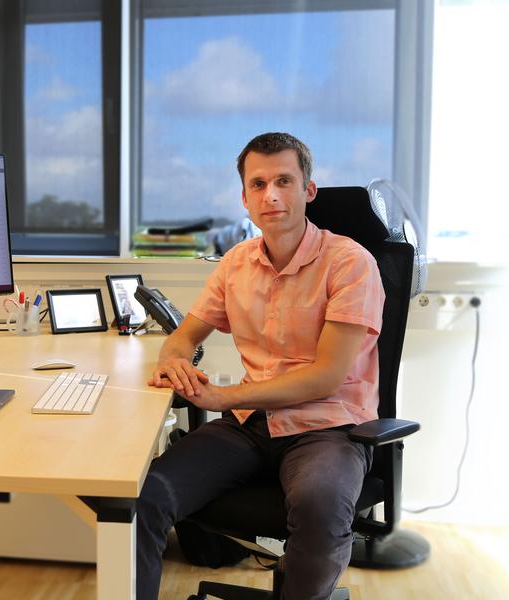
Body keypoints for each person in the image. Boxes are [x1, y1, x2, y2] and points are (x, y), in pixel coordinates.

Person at [137, 132, 385, 600]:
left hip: (327, 426)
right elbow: (183, 336)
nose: (270, 195)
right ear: (245, 198)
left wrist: (223, 397)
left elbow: (326, 376)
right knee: (145, 497)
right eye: (258, 184)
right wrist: (175, 362)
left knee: (320, 505)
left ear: (308, 190)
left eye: (284, 181)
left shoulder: (351, 263)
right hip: (249, 426)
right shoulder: (236, 263)